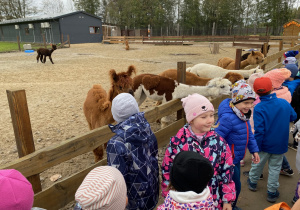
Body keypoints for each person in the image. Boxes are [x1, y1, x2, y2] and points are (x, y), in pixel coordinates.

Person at [161, 93, 236, 210]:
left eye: (211, 115)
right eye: (204, 117)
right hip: (183, 201)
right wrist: (169, 195)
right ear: (191, 119)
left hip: (212, 198)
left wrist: (227, 199)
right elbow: (168, 170)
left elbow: (227, 170)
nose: (210, 120)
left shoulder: (219, 142)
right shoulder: (178, 142)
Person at [247, 77, 297, 203]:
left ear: (256, 92)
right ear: (272, 88)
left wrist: (255, 148)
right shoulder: (284, 103)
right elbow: (293, 116)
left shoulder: (259, 107)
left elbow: (259, 130)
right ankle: (272, 192)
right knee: (275, 168)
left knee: (257, 163)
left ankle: (252, 182)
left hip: (264, 144)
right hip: (280, 143)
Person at [106, 93, 159, 210]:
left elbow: (117, 179)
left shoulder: (116, 144)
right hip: (152, 193)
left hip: (132, 203)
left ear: (115, 115)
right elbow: (154, 157)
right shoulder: (147, 129)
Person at [215, 80, 260, 210]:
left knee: (235, 185)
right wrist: (222, 158)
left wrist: (254, 150)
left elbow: (248, 134)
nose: (249, 106)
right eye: (246, 102)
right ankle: (229, 206)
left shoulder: (242, 115)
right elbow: (216, 139)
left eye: (251, 103)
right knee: (234, 186)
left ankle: (229, 205)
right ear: (235, 100)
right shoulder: (228, 119)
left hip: (236, 158)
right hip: (228, 161)